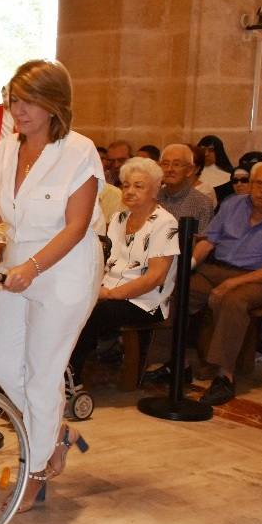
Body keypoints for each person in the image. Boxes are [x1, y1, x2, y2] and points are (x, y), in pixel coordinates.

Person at [0, 59, 102, 513]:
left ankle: (36, 472)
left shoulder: (80, 151)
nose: (19, 111)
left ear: (55, 104)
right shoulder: (9, 146)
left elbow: (76, 226)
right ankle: (55, 431)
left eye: (30, 102)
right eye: (14, 100)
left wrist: (34, 267)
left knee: (42, 371)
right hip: (17, 261)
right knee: (0, 360)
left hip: (64, 269)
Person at [188, 162, 262, 405]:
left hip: (260, 278)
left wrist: (234, 283)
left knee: (232, 300)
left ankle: (224, 376)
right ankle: (164, 362)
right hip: (217, 270)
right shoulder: (232, 204)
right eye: (258, 183)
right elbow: (208, 242)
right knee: (177, 290)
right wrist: (189, 265)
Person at [68, 157, 179, 380]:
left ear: (155, 189)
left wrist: (110, 294)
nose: (129, 191)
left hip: (144, 300)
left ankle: (70, 377)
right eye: (126, 185)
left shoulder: (165, 223)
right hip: (109, 289)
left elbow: (155, 277)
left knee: (96, 313)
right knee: (66, 303)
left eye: (139, 186)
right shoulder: (119, 218)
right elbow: (104, 260)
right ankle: (50, 369)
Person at [156, 143, 214, 235]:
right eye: (165, 164)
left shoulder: (202, 204)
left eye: (176, 164)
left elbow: (201, 243)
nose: (169, 169)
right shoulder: (152, 198)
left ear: (190, 170)